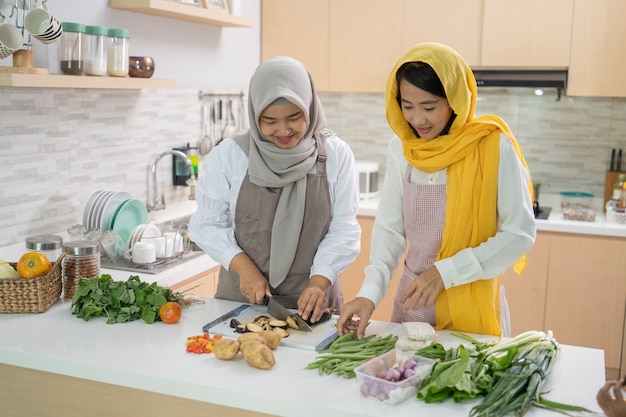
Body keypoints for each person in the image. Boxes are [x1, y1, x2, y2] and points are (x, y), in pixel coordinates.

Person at [337, 42, 536, 338]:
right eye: (407, 106)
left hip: (471, 305)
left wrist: (445, 273)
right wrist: (369, 294)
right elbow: (390, 232)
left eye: (429, 107)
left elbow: (519, 234)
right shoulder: (401, 149)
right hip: (413, 305)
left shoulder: (494, 147)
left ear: (453, 101)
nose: (417, 119)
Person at [189, 56, 361, 323]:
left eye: (294, 117)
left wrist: (318, 282)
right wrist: (242, 267)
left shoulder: (336, 155)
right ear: (255, 114)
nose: (283, 130)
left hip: (314, 304)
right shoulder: (229, 156)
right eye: (269, 121)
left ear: (310, 108)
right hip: (240, 301)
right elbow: (205, 224)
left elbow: (344, 228)